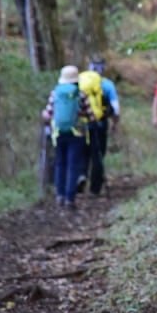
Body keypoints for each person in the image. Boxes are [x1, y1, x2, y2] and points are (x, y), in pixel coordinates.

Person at [42, 65, 95, 209]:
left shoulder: (55, 93)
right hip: (77, 134)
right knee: (73, 165)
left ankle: (60, 195)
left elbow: (47, 114)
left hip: (58, 133)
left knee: (60, 163)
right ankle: (70, 199)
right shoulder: (81, 94)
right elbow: (91, 116)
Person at [78, 56, 121, 196]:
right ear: (103, 68)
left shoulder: (80, 81)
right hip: (100, 123)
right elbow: (115, 107)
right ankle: (95, 188)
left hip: (80, 124)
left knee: (83, 153)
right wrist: (115, 123)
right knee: (98, 154)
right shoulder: (107, 84)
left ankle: (81, 175)